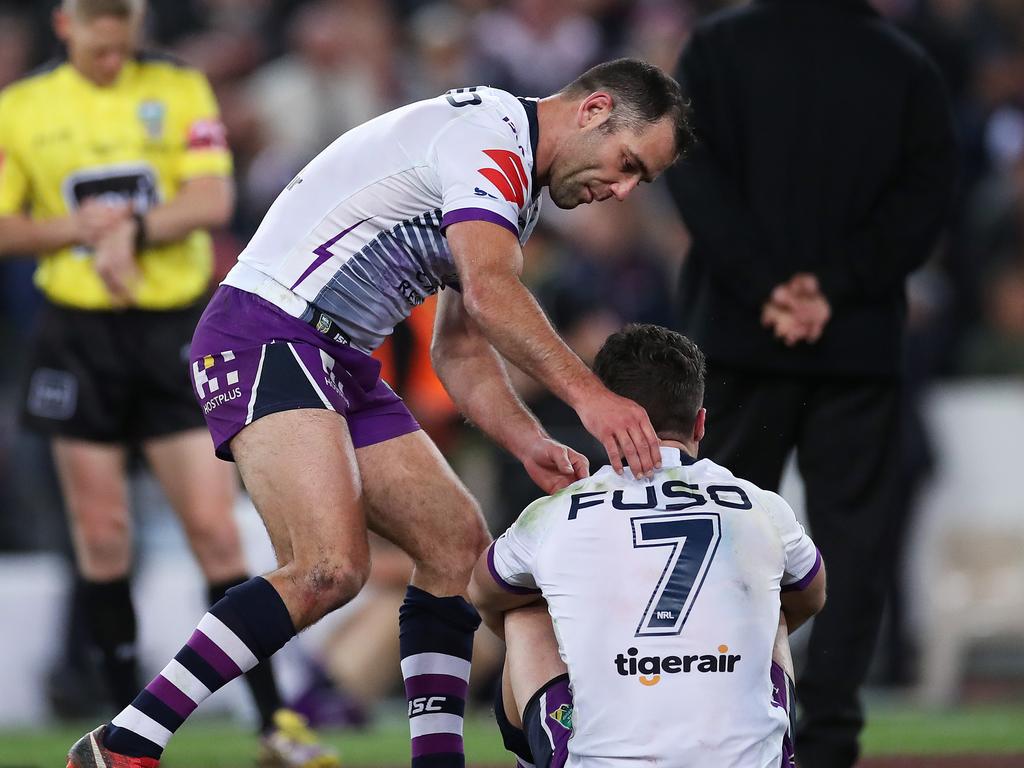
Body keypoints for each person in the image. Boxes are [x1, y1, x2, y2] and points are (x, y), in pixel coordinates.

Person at [66, 57, 693, 768]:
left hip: (335, 356)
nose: (621, 190)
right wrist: (594, 397)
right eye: (627, 163)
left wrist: (526, 439)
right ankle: (124, 746)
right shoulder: (490, 137)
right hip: (271, 330)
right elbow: (489, 293)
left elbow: (460, 348)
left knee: (458, 552)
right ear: (593, 110)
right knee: (327, 567)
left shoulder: (512, 181)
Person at [0, 1, 335, 765]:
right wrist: (84, 232)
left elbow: (213, 199)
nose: (112, 53)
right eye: (98, 36)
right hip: (75, 333)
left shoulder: (180, 87)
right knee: (103, 536)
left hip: (167, 330)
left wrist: (133, 232)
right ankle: (122, 735)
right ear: (65, 23)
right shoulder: (20, 108)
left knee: (214, 531)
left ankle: (274, 724)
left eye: (124, 37)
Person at [664, 2, 957, 766]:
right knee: (854, 546)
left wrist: (765, 286)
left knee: (723, 537)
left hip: (735, 340)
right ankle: (827, 741)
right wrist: (833, 288)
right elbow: (926, 200)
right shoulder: (904, 64)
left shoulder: (717, 48)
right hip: (856, 345)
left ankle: (725, 729)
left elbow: (689, 174)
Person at [469, 324, 827, 767]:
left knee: (522, 610)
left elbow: (483, 592)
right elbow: (813, 596)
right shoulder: (761, 506)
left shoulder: (556, 513)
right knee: (770, 608)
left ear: (599, 417)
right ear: (700, 422)